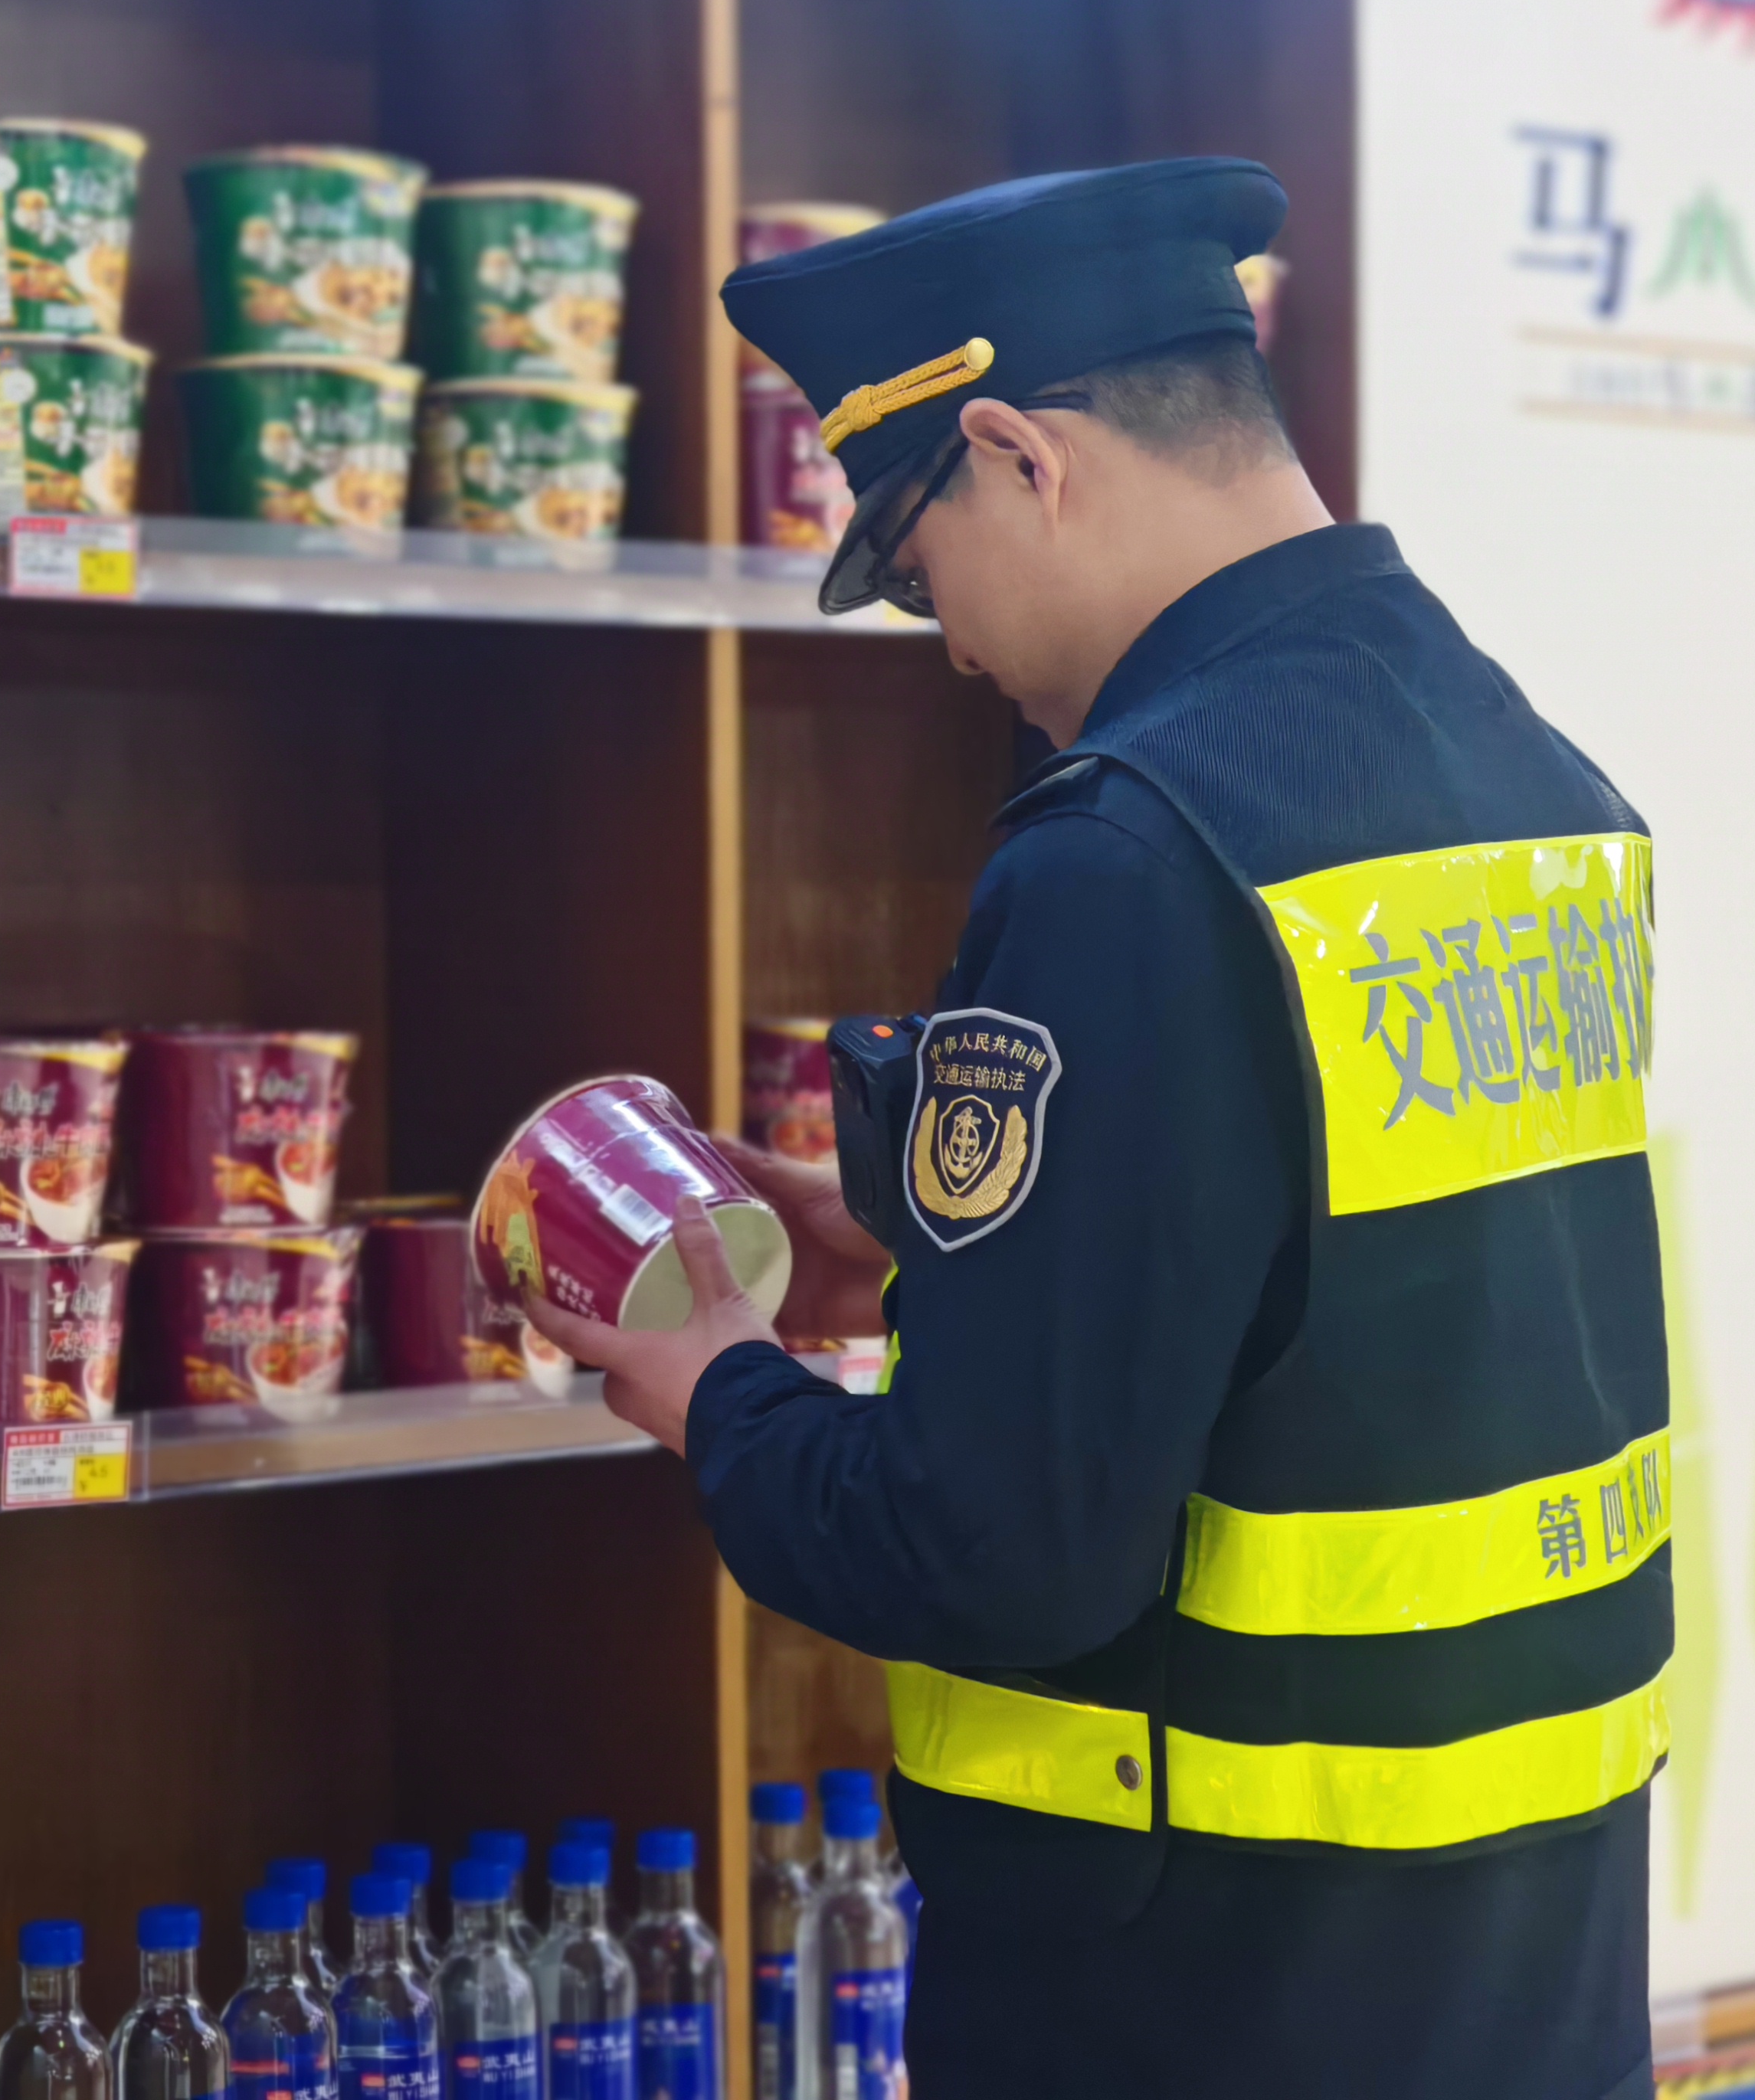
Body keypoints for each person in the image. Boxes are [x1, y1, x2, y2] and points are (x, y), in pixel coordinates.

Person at [526, 159, 1669, 2098]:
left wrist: (719, 1392)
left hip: (1203, 1994)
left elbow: (999, 1554)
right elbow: (1355, 1276)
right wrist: (941, 1250)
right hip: (1523, 1975)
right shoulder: (1532, 778)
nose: (953, 649)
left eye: (918, 573)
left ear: (1016, 455)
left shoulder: (1132, 850)